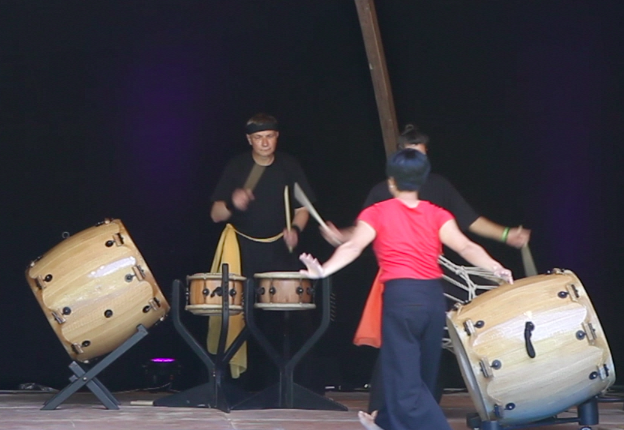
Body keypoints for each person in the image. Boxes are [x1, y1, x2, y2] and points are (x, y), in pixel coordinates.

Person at [300, 148, 513, 430]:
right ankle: (387, 420)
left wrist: (324, 270)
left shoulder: (377, 212)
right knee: (421, 371)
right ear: (422, 180)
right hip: (434, 300)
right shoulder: (438, 214)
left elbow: (352, 246)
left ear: (391, 182)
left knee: (403, 373)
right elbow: (466, 246)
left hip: (402, 298)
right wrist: (496, 267)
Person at [210, 112, 320, 392]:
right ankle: (239, 385)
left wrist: (295, 228)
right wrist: (233, 204)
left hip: (279, 250)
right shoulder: (237, 166)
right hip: (242, 249)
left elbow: (303, 208)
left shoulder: (288, 166)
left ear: (276, 137)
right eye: (258, 138)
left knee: (288, 315)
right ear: (249, 140)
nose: (264, 143)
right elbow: (215, 214)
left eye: (269, 136)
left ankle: (290, 383)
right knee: (241, 314)